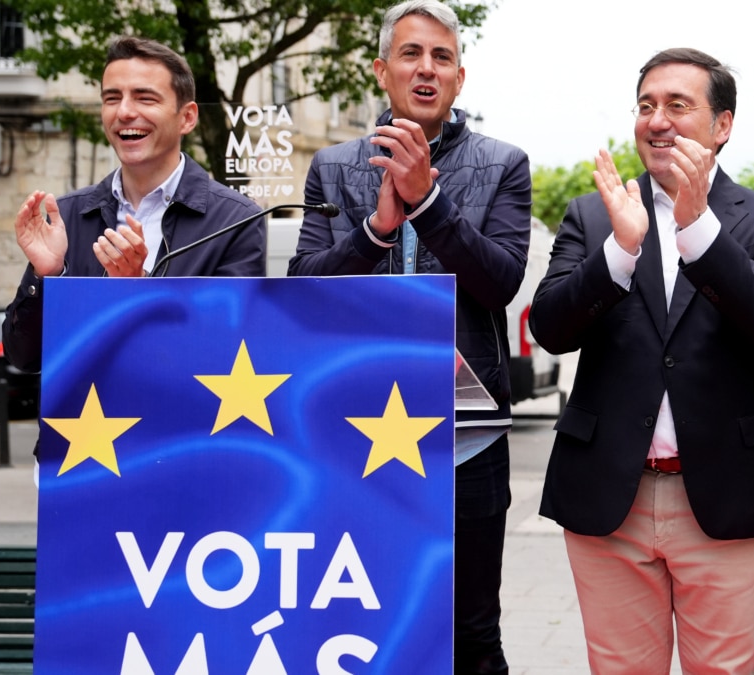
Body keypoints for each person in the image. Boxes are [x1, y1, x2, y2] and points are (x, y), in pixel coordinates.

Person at [529, 47, 754, 674]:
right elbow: (548, 328)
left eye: (678, 105)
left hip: (727, 496)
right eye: (646, 106)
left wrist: (699, 228)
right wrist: (619, 253)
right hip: (610, 498)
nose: (658, 120)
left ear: (723, 125)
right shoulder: (594, 213)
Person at [288, 1, 530, 672]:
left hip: (467, 433)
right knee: (364, 617)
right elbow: (303, 289)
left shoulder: (503, 162)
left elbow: (502, 282)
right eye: (411, 54)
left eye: (441, 57)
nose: (426, 69)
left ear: (459, 77)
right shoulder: (334, 166)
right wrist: (376, 232)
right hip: (350, 425)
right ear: (381, 71)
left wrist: (430, 203)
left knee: (472, 630)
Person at [2, 36, 266, 373]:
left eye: (145, 98)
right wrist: (47, 276)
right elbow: (23, 357)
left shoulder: (235, 220)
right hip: (86, 423)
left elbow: (233, 352)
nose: (124, 112)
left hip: (184, 423)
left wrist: (137, 289)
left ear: (186, 117)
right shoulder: (67, 215)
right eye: (112, 98)